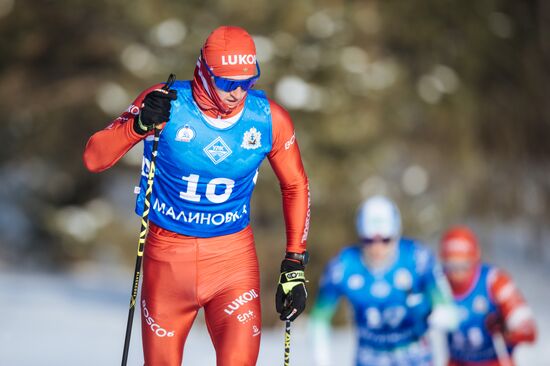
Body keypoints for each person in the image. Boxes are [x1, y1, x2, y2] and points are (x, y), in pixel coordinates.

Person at [83, 26, 310, 366]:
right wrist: (138, 125)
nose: (237, 92)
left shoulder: (268, 119)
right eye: (227, 82)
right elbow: (94, 157)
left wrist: (295, 261)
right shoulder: (167, 103)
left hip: (232, 263)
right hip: (169, 262)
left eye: (247, 82)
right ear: (204, 72)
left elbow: (295, 185)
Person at [309, 195, 458, 366]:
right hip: (369, 357)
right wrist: (321, 361)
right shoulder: (343, 266)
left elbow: (451, 315)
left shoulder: (418, 258)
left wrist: (427, 310)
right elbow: (319, 320)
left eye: (386, 240)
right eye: (369, 240)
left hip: (414, 356)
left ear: (396, 234)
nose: (377, 247)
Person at [439, 226, 537, 366]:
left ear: (475, 258)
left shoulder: (494, 281)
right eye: (451, 266)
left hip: (494, 360)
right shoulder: (439, 282)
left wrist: (506, 329)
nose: (457, 273)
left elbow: (529, 330)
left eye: (464, 265)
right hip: (457, 361)